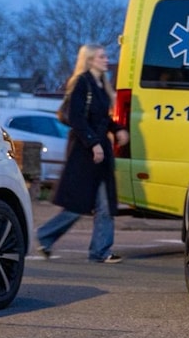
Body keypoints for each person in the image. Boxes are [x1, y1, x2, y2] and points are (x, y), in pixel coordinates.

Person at [36, 44, 129, 264]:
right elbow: (77, 118)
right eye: (102, 56)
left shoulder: (101, 85)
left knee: (105, 204)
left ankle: (100, 251)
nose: (107, 60)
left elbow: (101, 120)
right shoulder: (82, 83)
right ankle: (45, 235)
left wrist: (118, 130)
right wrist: (93, 143)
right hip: (84, 153)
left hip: (100, 154)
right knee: (77, 206)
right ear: (89, 60)